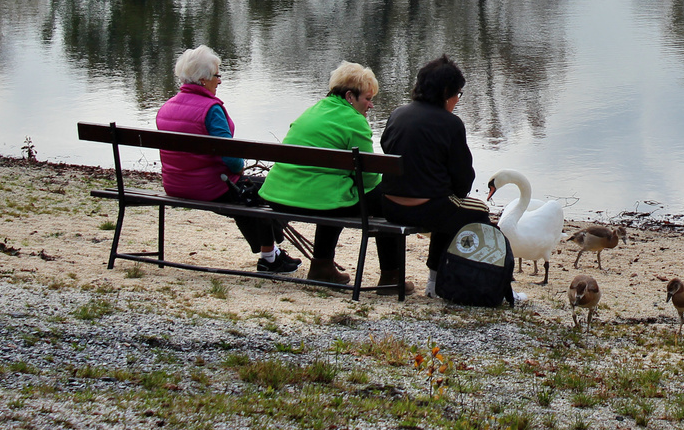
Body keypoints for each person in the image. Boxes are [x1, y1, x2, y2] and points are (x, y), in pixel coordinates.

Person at [259, 62, 410, 291]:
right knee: (386, 199)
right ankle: (391, 277)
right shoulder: (354, 121)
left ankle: (322, 266)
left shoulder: (313, 110)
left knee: (335, 190)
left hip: (278, 196)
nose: (370, 105)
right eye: (367, 99)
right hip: (315, 201)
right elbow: (368, 179)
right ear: (350, 96)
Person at [154, 45, 300, 274]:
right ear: (203, 80)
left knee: (250, 189)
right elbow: (232, 160)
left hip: (175, 184)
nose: (219, 81)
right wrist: (240, 167)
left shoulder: (166, 108)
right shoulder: (210, 110)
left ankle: (272, 254)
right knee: (268, 191)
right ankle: (270, 257)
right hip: (209, 187)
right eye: (217, 75)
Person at [369, 55, 494, 298]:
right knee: (474, 209)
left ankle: (390, 276)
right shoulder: (451, 124)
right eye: (458, 93)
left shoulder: (397, 114)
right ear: (447, 92)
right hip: (430, 209)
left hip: (389, 206)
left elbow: (387, 149)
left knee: (445, 202)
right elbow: (463, 181)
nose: (458, 99)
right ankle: (437, 281)